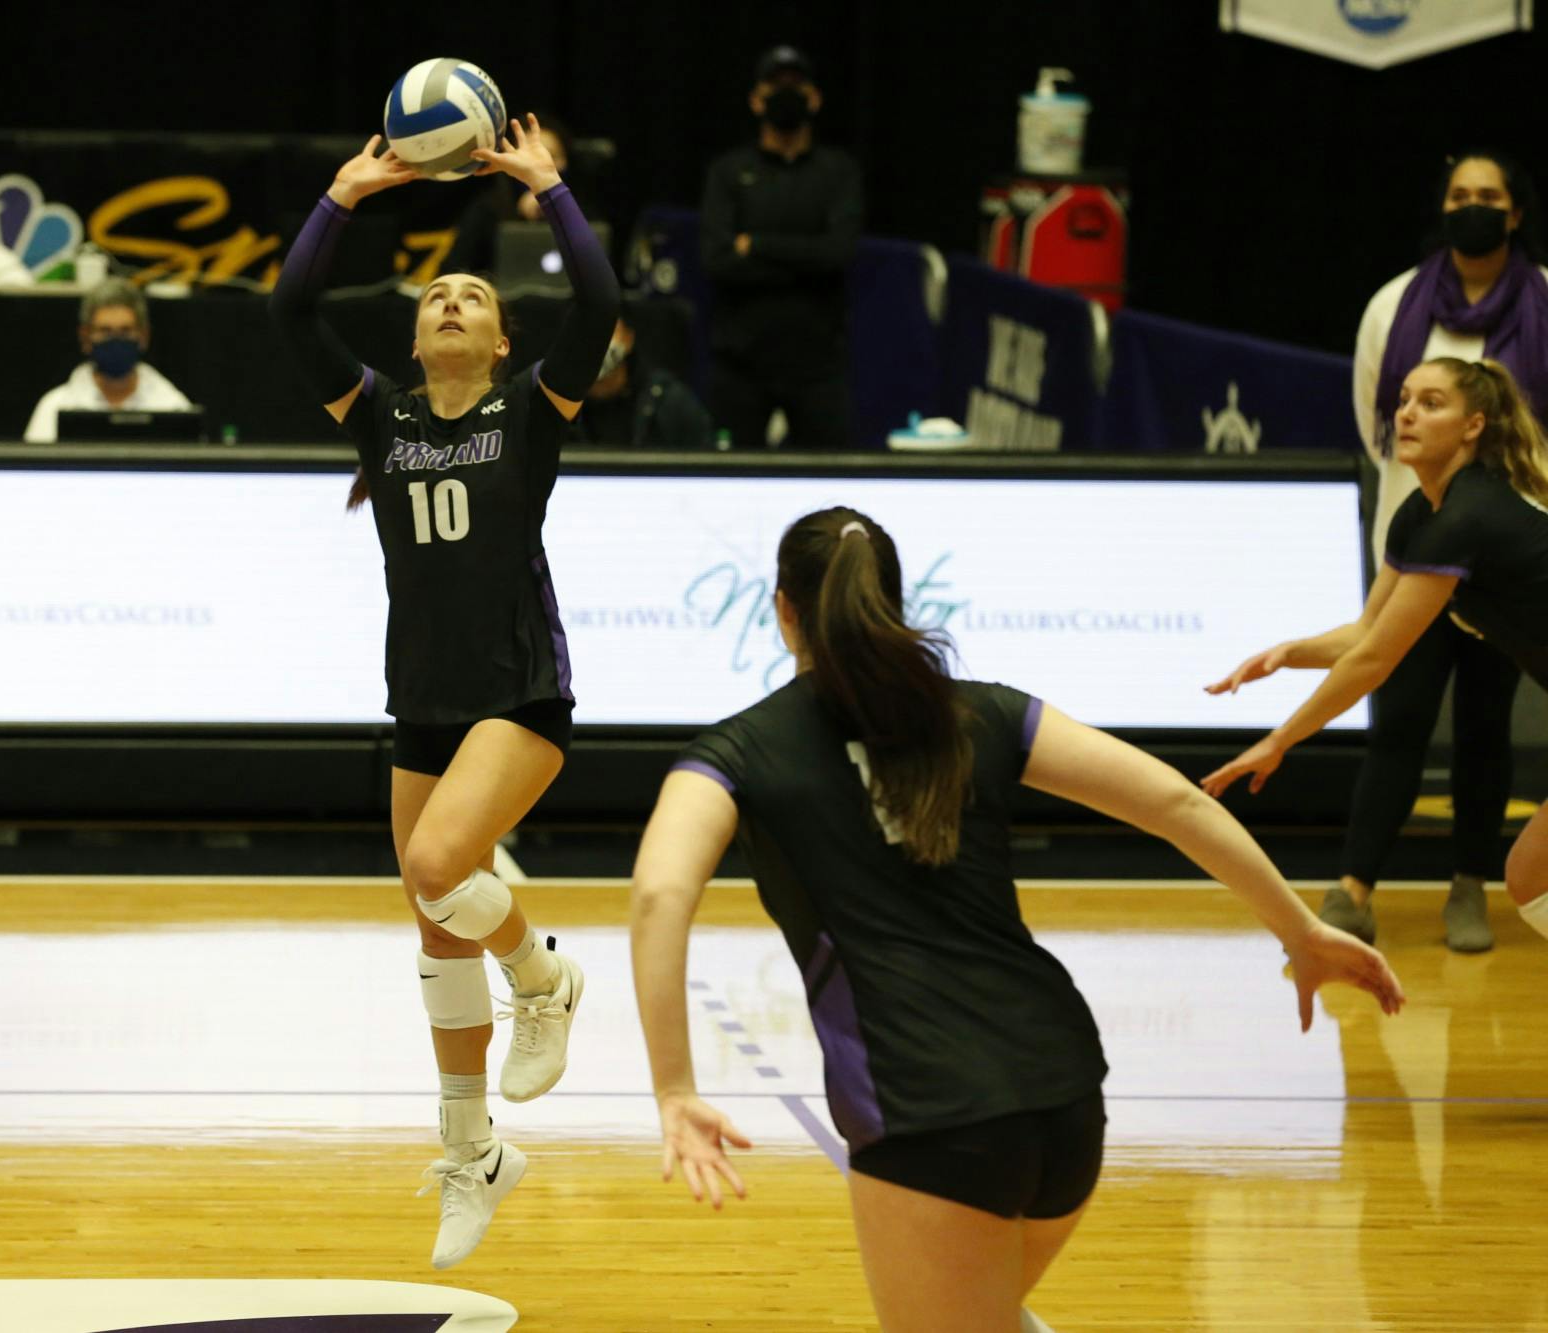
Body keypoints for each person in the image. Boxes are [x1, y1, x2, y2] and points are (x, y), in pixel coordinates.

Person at [633, 505, 1404, 1332]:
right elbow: (1176, 801)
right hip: (1066, 1090)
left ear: (783, 610)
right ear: (894, 602)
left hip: (929, 1114)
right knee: (990, 1314)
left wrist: (676, 1087)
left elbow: (657, 894)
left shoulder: (739, 752)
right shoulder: (988, 712)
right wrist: (1299, 929)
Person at [267, 116, 619, 1270]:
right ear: (416, 342)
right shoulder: (382, 416)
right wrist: (342, 192)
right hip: (419, 701)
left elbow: (603, 305)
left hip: (518, 698)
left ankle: (546, 973)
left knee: (436, 871)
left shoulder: (530, 412)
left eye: (473, 295)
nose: (452, 303)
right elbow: (288, 310)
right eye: (435, 298)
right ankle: (470, 1156)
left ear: (504, 334)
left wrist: (551, 190)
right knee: (430, 930)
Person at [1208, 357, 1548, 954]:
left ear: (1473, 426)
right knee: (1530, 877)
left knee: (1530, 877)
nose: (1408, 413)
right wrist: (1291, 653)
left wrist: (1280, 740)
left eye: (1432, 403)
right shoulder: (1419, 514)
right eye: (1405, 399)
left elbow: (1374, 664)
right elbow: (1367, 634)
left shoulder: (1467, 516)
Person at [1339, 149, 1548, 951]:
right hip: (1419, 540)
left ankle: (1469, 884)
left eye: (1488, 196)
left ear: (1515, 211)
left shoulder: (1543, 302)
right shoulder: (1394, 304)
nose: (1473, 207)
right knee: (1398, 716)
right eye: (1459, 195)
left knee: (1486, 725)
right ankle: (1355, 886)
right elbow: (1375, 424)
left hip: (1507, 561)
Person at [700, 45, 862, 449]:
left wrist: (755, 245)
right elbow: (717, 261)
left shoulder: (838, 171)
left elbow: (838, 253)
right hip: (741, 363)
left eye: (796, 86)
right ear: (757, 100)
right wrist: (806, 256)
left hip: (817, 362)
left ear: (814, 98)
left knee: (829, 480)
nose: (786, 95)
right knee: (731, 481)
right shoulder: (729, 172)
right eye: (775, 86)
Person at [23, 279, 193, 442]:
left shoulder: (173, 407)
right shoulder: (54, 407)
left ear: (143, 336)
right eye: (105, 331)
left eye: (125, 331)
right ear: (85, 338)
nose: (116, 339)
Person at [449, 113, 575, 274]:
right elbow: (453, 270)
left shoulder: (583, 211)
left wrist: (554, 207)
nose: (541, 165)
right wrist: (520, 216)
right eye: (531, 157)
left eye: (553, 157)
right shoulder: (487, 210)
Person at [574, 318, 715, 448]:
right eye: (586, 330)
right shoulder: (557, 408)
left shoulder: (671, 402)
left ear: (628, 338)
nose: (596, 341)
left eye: (606, 329)